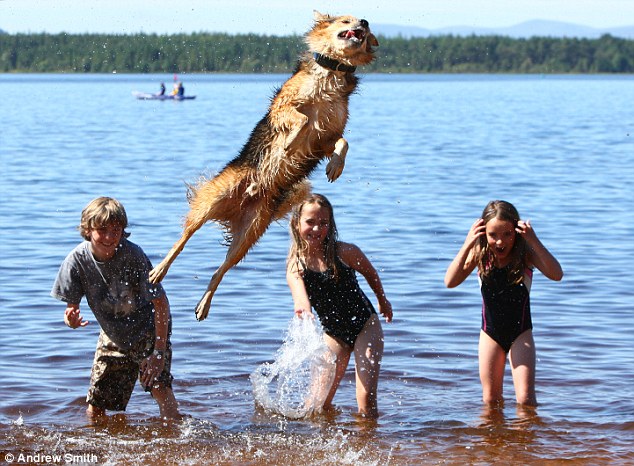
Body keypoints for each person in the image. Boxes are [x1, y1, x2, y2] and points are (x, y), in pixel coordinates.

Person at [51, 197, 180, 420]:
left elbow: (161, 303)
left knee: (159, 387)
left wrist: (158, 352)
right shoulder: (76, 261)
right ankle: (100, 450)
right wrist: (71, 320)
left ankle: (176, 442)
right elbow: (71, 311)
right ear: (88, 229)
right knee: (96, 406)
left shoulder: (133, 256)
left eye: (116, 229)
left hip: (147, 331)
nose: (110, 237)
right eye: (102, 230)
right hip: (113, 335)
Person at [444, 200, 563, 407]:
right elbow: (450, 281)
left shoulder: (525, 255)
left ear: (516, 233)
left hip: (521, 334)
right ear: (483, 233)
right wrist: (467, 244)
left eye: (507, 234)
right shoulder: (481, 255)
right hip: (490, 334)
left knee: (526, 400)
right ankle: (495, 441)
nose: (500, 242)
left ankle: (524, 439)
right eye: (493, 235)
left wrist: (534, 240)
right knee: (491, 400)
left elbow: (557, 274)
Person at [286, 194, 393, 418]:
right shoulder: (296, 265)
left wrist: (383, 301)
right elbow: (300, 298)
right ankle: (330, 440)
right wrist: (304, 312)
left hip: (365, 325)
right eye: (310, 222)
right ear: (297, 223)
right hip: (333, 334)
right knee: (316, 405)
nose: (316, 228)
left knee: (366, 401)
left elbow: (371, 273)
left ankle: (368, 444)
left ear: (330, 225)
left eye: (323, 223)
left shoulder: (344, 252)